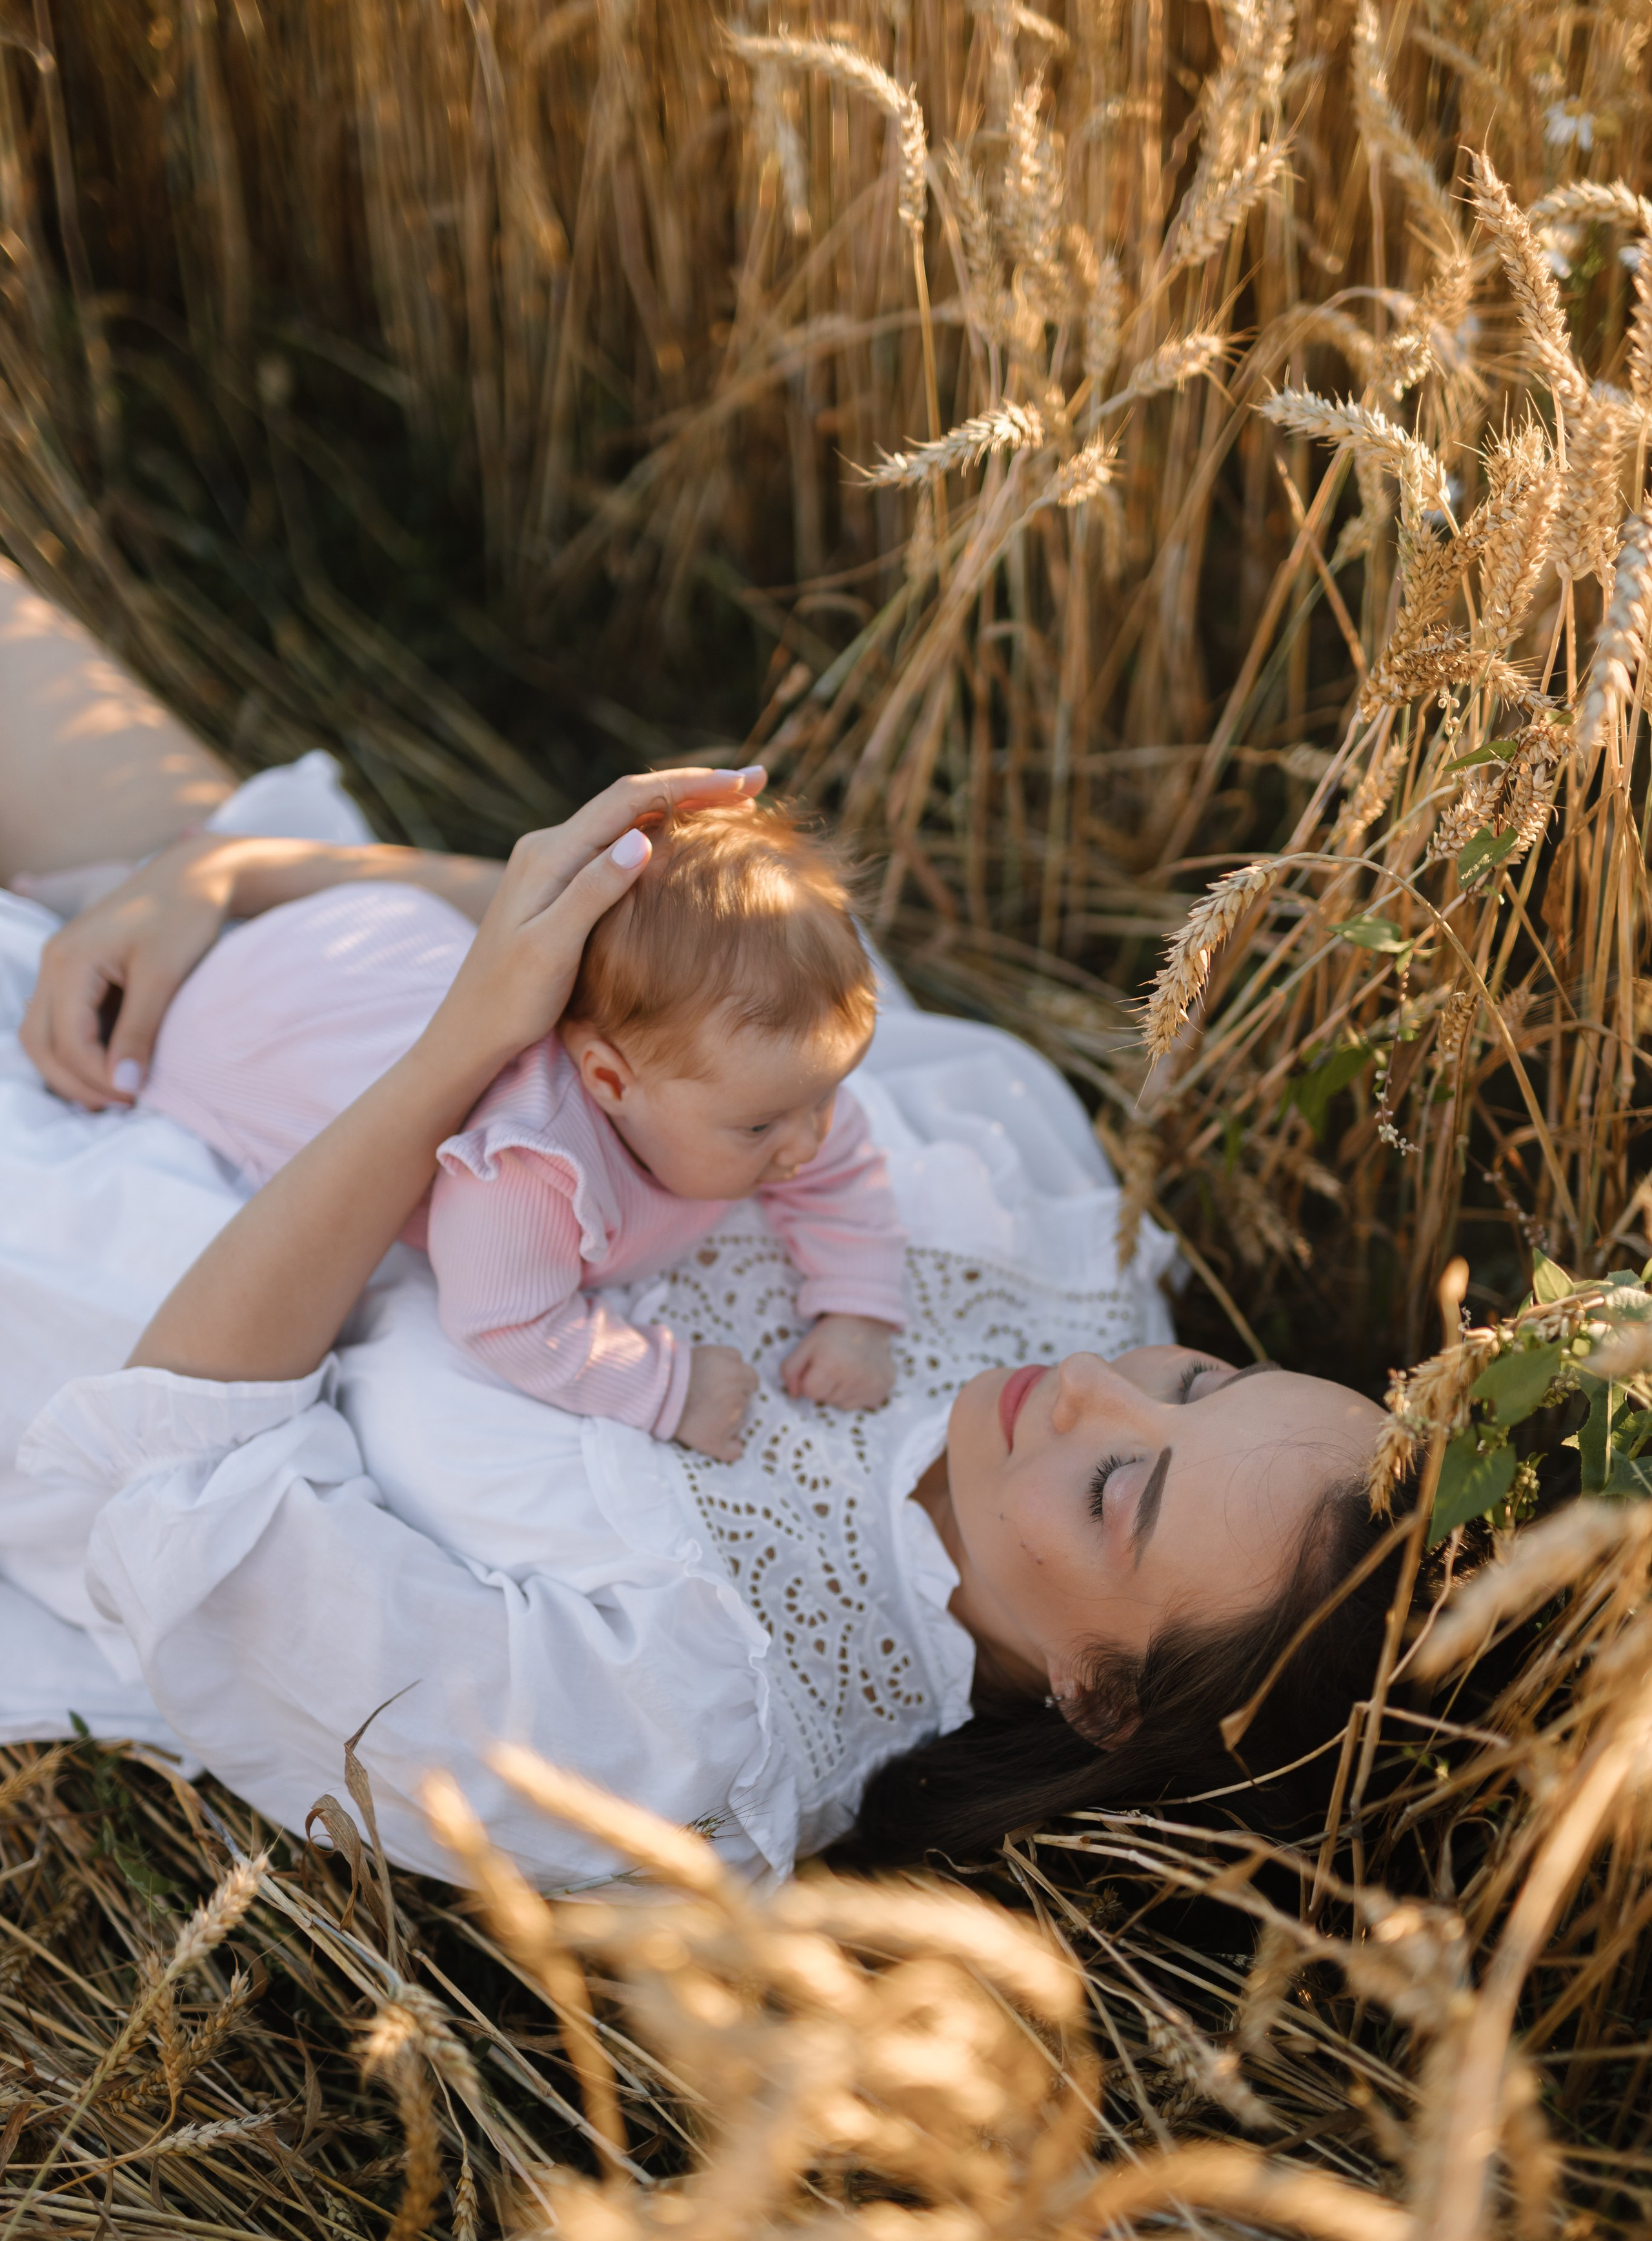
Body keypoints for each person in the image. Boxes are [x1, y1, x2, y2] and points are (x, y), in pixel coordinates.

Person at [0, 560, 1393, 1886]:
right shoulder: (1053, 1242)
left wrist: (444, 1064)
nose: (1100, 1388)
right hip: (298, 980)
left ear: (1099, 1698)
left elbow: (172, 1480)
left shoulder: (672, 1741)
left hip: (75, 1267)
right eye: (1199, 1381)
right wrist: (248, 879)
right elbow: (659, 995)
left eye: (1119, 1492)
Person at [132, 804, 906, 1459]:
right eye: (762, 1127)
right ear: (609, 1082)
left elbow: (842, 1174)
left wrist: (860, 1313)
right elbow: (505, 1322)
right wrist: (667, 1388)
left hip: (396, 951)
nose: (808, 1142)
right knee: (251, 1066)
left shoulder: (774, 1089)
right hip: (263, 1023)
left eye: (827, 1096)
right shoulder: (534, 1161)